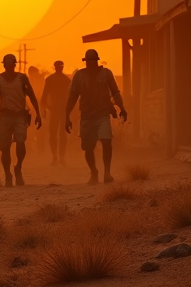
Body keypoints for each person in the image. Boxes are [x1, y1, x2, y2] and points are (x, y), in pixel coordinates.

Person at [65, 49, 127, 185]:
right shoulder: (79, 76)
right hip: (87, 116)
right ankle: (94, 172)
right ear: (85, 62)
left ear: (97, 61)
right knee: (88, 148)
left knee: (106, 141)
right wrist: (67, 115)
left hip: (102, 114)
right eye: (89, 62)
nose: (91, 64)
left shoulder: (106, 74)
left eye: (93, 61)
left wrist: (121, 107)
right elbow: (73, 96)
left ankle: (107, 173)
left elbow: (115, 92)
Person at [0, 54, 41, 187]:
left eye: (11, 64)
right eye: (6, 64)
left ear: (14, 65)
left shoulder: (22, 79)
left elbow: (32, 96)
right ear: (4, 65)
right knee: (5, 147)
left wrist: (37, 113)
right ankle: (8, 175)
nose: (9, 67)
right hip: (5, 116)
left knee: (21, 142)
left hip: (20, 115)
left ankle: (18, 167)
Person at [41, 60, 72, 166]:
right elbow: (44, 96)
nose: (60, 68)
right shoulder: (53, 80)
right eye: (59, 67)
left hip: (61, 109)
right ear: (56, 67)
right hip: (55, 109)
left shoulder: (66, 80)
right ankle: (56, 156)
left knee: (61, 134)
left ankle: (60, 157)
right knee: (54, 134)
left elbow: (71, 96)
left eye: (60, 67)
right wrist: (45, 108)